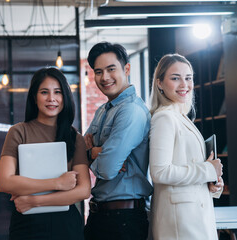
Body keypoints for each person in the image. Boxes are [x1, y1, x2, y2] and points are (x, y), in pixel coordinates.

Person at [0, 67, 91, 240]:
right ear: (34, 97)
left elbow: (84, 190)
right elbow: (4, 181)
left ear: (65, 97)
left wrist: (34, 201)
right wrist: (57, 183)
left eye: (58, 92)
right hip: (26, 224)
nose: (51, 98)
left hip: (65, 224)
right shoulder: (18, 132)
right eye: (44, 92)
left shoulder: (74, 137)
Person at [149, 53, 224, 240]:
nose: (184, 85)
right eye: (175, 78)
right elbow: (159, 172)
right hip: (180, 222)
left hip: (192, 216)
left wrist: (212, 183)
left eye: (188, 78)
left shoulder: (181, 116)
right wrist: (208, 170)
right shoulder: (164, 118)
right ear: (160, 83)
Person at [83, 42, 153, 240]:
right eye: (98, 71)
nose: (104, 77)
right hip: (101, 215)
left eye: (111, 69)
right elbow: (76, 151)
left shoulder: (131, 111)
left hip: (124, 220)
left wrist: (90, 154)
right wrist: (94, 153)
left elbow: (107, 168)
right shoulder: (102, 111)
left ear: (127, 69)